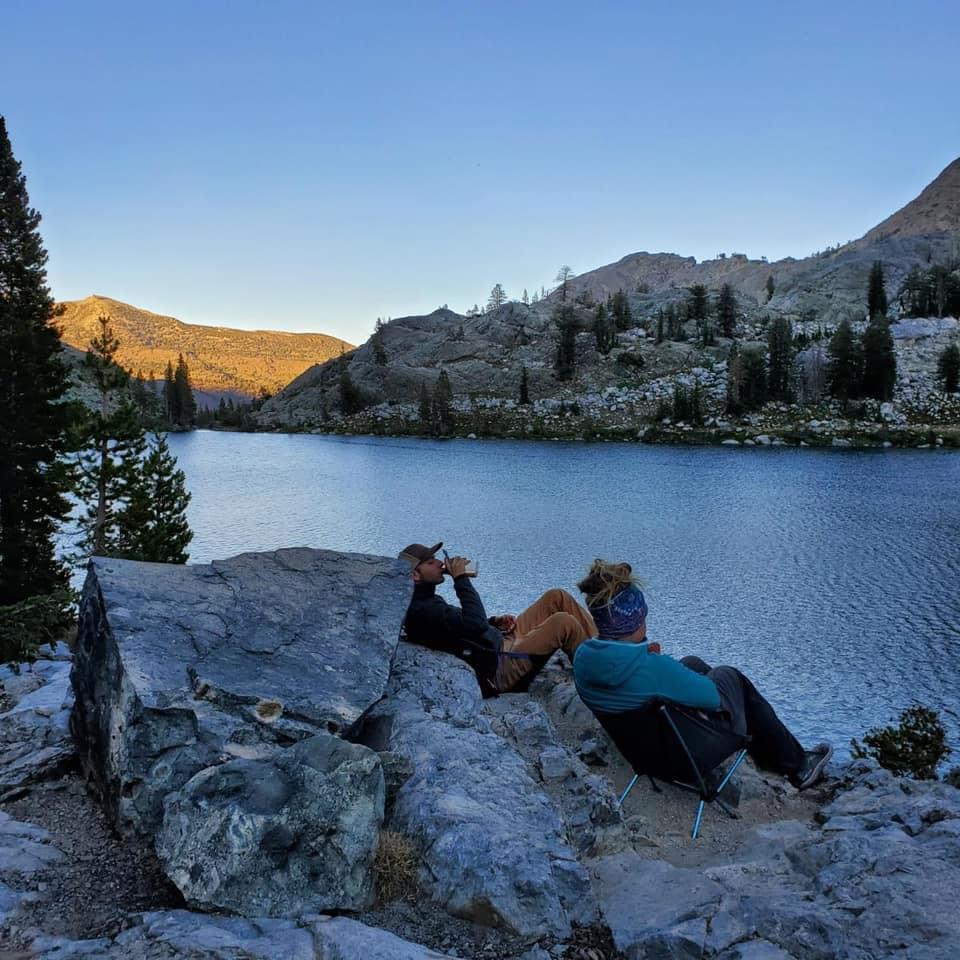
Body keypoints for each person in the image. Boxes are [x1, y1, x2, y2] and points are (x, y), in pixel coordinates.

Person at [573, 560, 832, 790]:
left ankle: (774, 751)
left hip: (645, 755)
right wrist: (653, 659)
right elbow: (712, 699)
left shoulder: (584, 659)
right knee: (729, 677)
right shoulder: (651, 667)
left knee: (692, 663)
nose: (645, 624)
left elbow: (643, 679)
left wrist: (645, 653)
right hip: (685, 759)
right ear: (634, 622)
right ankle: (798, 766)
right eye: (643, 620)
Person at [398, 541, 597, 696]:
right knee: (563, 622)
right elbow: (473, 624)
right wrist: (460, 579)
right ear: (415, 575)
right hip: (500, 666)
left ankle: (602, 647)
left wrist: (494, 622)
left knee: (556, 596)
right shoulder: (422, 610)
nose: (441, 563)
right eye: (431, 562)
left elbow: (464, 626)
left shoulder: (426, 600)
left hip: (500, 643)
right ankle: (599, 673)